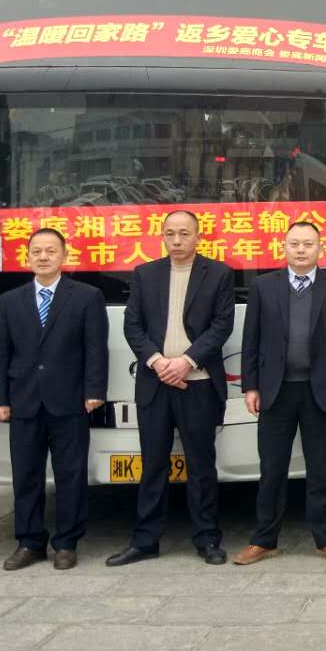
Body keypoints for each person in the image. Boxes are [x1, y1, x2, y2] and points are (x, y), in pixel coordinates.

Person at [107, 210, 235, 567]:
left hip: (199, 384)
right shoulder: (145, 274)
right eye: (170, 234)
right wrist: (158, 362)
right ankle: (145, 540)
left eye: (184, 233)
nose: (176, 240)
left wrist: (187, 361)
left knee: (201, 465)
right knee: (152, 465)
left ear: (198, 237)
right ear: (162, 236)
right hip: (155, 384)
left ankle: (207, 538)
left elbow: (222, 325)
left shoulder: (219, 274)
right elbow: (133, 325)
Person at [235, 221, 326, 567]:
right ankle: (264, 539)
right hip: (275, 391)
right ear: (283, 247)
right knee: (272, 468)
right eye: (294, 244)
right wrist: (251, 386)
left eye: (308, 244)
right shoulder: (264, 286)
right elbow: (251, 340)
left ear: (321, 249)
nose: (301, 250)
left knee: (321, 468)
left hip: (320, 391)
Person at [0, 229, 108, 571]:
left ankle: (67, 543)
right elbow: (1, 353)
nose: (43, 257)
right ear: (27, 257)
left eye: (50, 251)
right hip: (23, 400)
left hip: (70, 400)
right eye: (37, 251)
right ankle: (29, 542)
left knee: (71, 474)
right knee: (26, 475)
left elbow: (95, 348)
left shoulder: (86, 296)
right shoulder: (10, 301)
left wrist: (94, 391)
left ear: (64, 256)